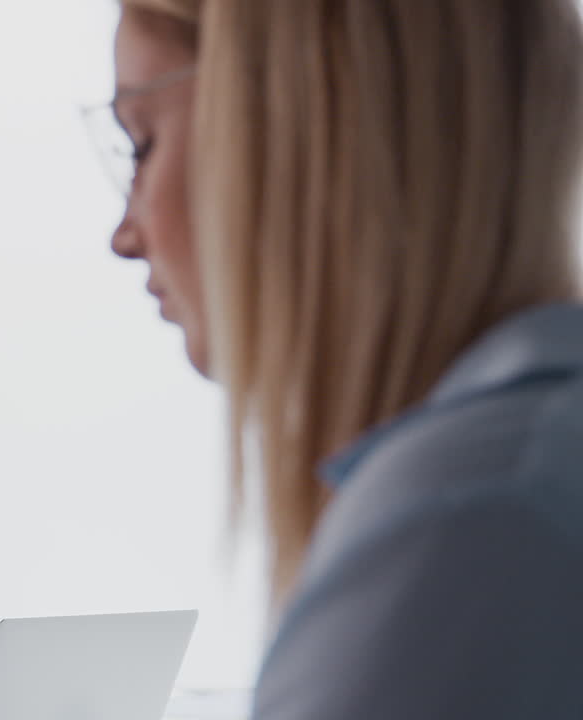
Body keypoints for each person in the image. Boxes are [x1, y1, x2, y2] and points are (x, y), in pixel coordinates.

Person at [95, 0, 583, 717]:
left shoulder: (466, 529)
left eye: (142, 145)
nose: (125, 235)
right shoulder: (532, 465)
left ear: (299, 132)